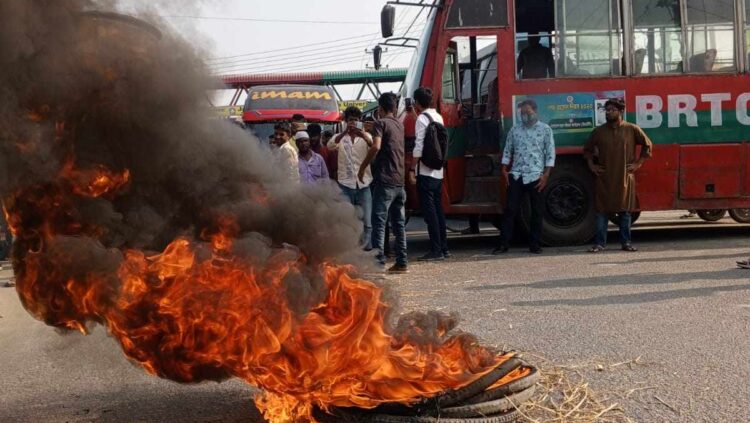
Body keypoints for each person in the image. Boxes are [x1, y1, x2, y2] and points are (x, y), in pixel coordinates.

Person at [584, 98, 653, 253]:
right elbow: (587, 150)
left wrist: (638, 164)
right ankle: (600, 244)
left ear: (621, 112)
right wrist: (592, 166)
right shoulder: (599, 131)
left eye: (612, 110)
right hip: (604, 178)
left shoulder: (632, 129)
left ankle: (626, 243)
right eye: (607, 110)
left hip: (625, 178)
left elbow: (647, 145)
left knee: (625, 212)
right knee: (601, 211)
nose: (608, 113)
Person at [493, 99, 555, 255]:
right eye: (522, 114)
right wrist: (504, 170)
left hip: (536, 175)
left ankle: (534, 244)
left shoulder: (545, 130)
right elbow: (508, 150)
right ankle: (504, 244)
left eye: (528, 113)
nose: (525, 116)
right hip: (517, 175)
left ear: (535, 112)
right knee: (510, 210)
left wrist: (546, 175)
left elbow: (550, 153)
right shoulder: (515, 130)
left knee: (537, 211)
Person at [360, 92, 408, 273]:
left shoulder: (380, 123)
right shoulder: (399, 124)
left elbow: (377, 146)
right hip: (399, 181)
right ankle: (402, 262)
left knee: (379, 223)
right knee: (398, 223)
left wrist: (362, 166)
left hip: (384, 180)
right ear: (395, 108)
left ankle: (378, 264)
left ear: (380, 108)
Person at [411, 87, 450, 261]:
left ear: (417, 103)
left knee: (430, 213)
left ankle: (435, 250)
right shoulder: (438, 116)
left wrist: (412, 168)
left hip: (425, 172)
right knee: (438, 211)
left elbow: (419, 146)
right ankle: (444, 248)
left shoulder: (421, 119)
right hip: (438, 171)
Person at [328, 106, 374, 250]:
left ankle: (367, 249)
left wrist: (364, 136)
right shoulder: (340, 137)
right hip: (345, 184)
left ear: (359, 121)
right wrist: (343, 133)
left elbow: (374, 147)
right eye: (350, 120)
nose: (353, 123)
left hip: (363, 184)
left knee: (366, 220)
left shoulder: (367, 136)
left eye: (355, 120)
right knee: (347, 220)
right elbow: (330, 145)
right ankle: (350, 249)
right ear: (346, 121)